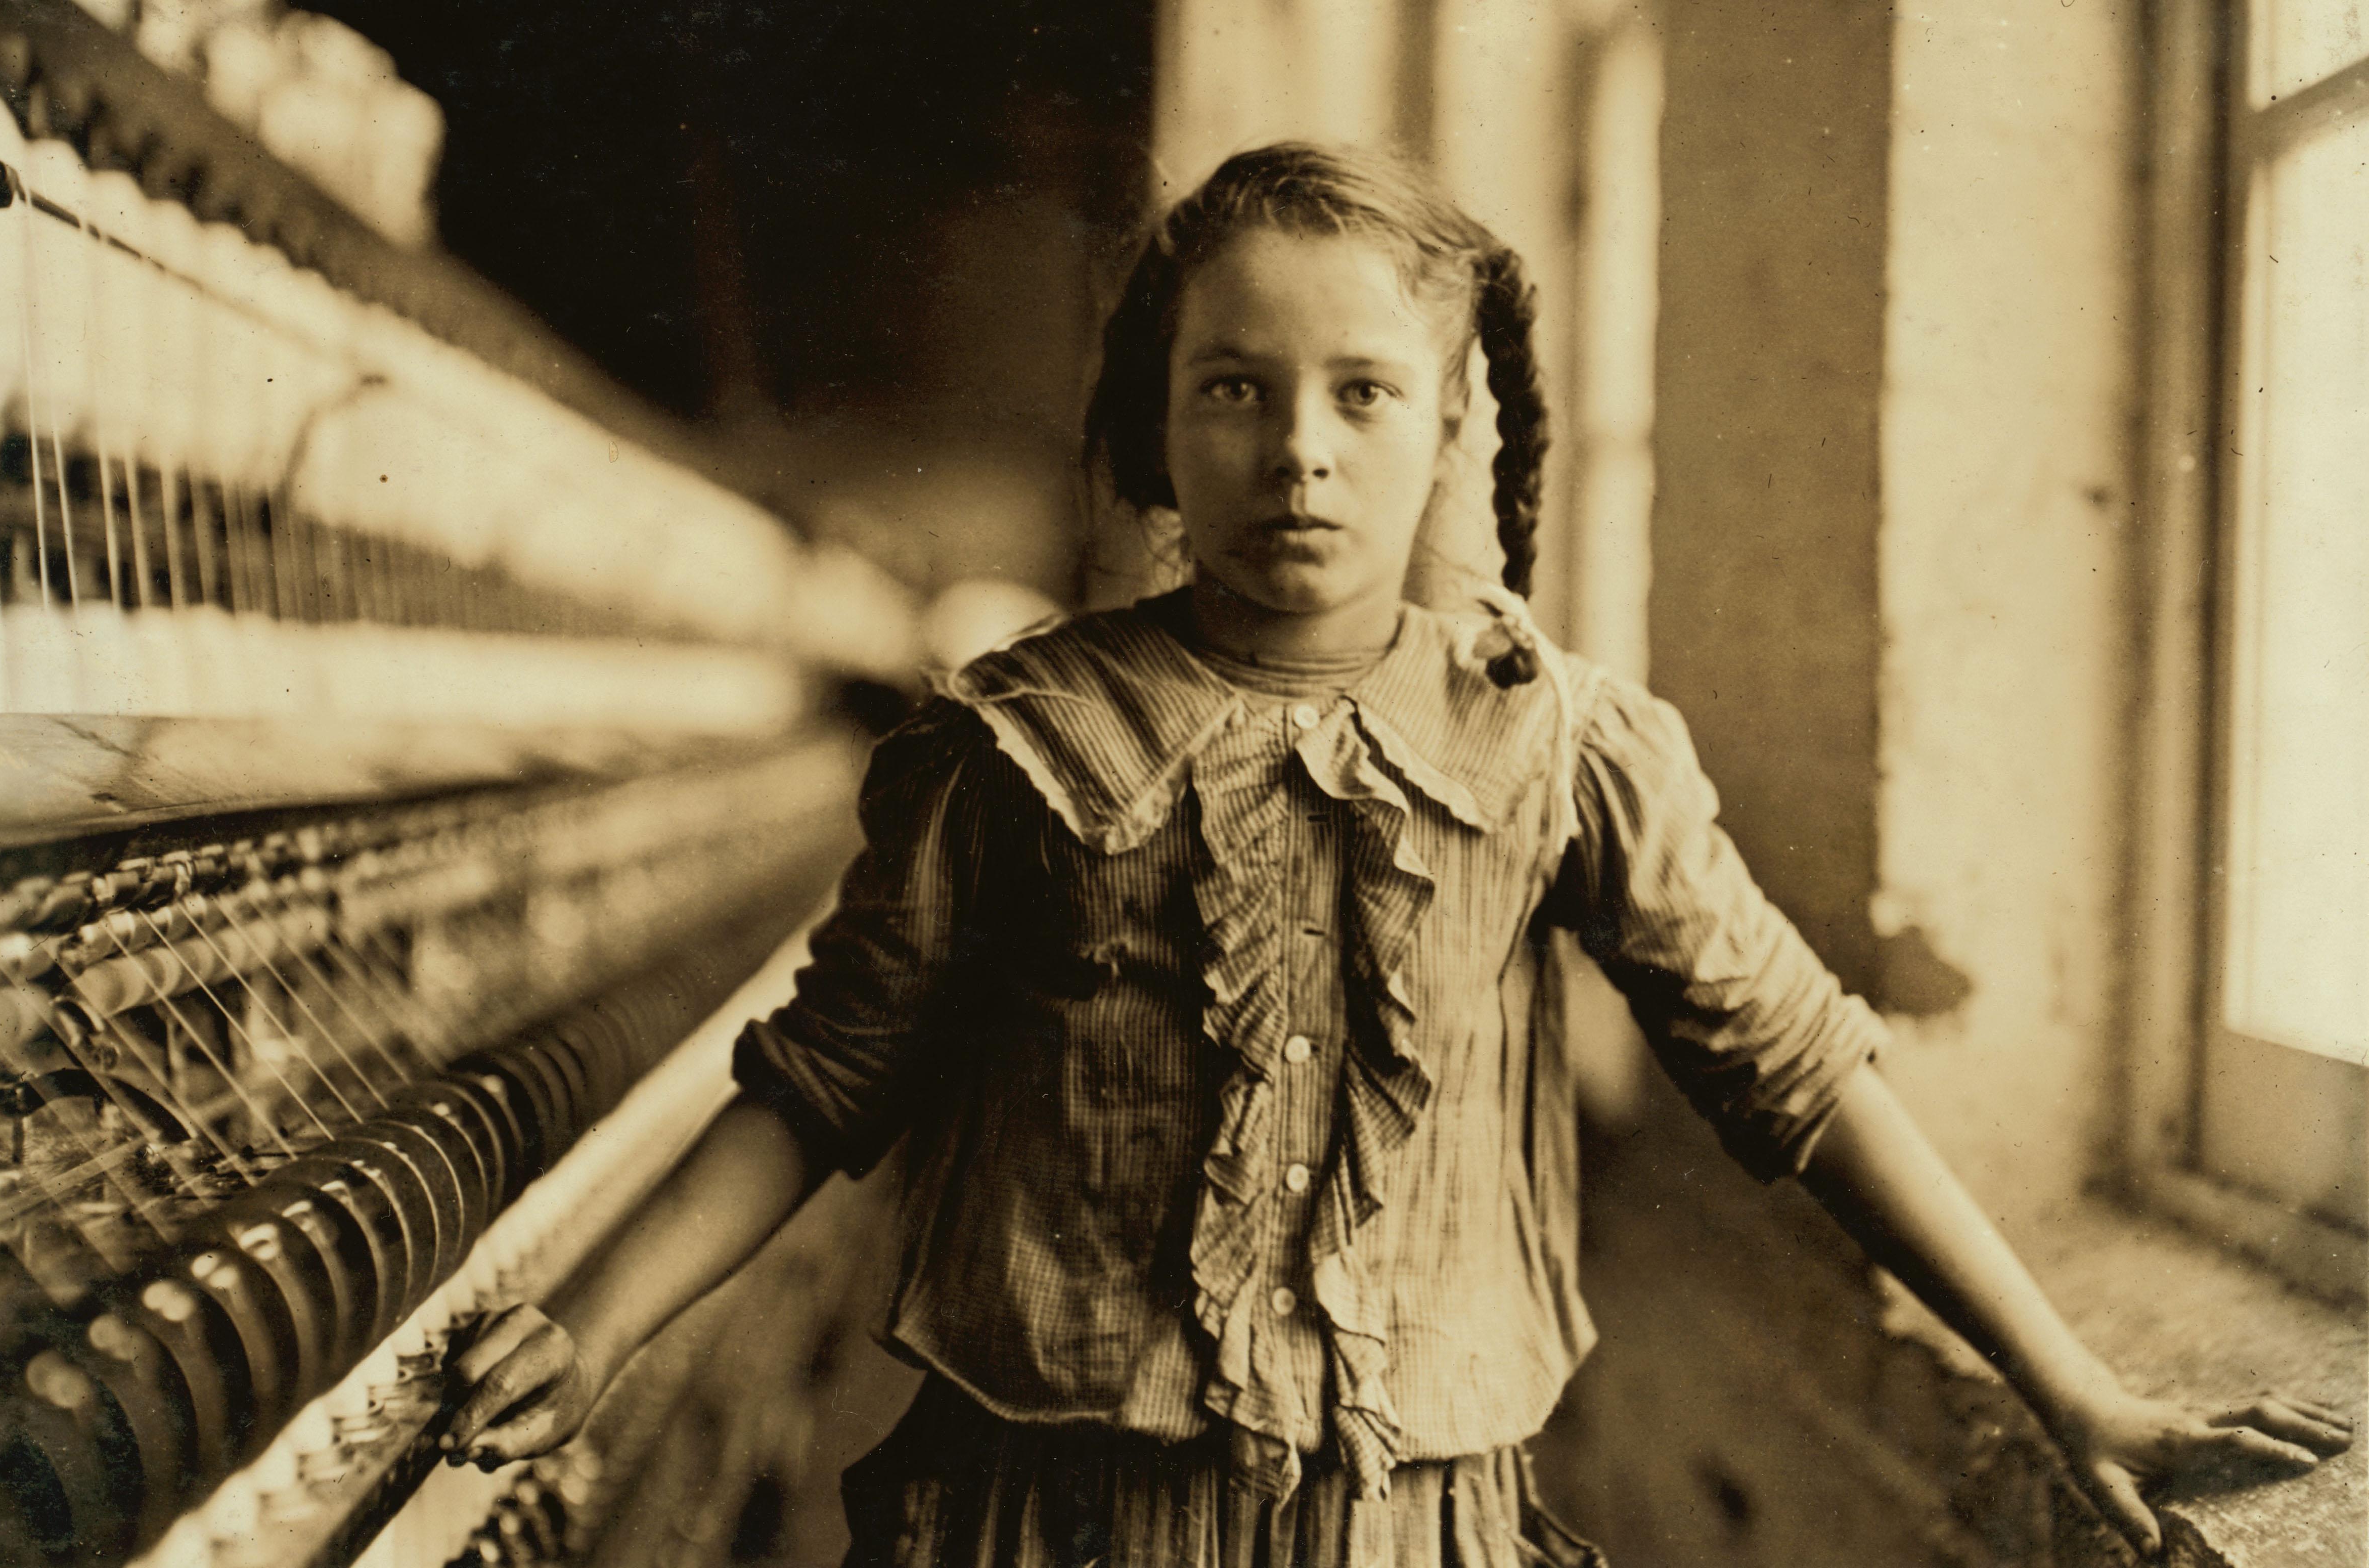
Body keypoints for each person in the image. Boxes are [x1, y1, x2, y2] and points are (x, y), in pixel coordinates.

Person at [438, 143, 2351, 1566]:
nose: (1301, 451)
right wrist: (594, 1333)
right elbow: (821, 1078)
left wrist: (2072, 1386)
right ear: (1155, 423)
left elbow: (1799, 1066)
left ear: (1448, 429)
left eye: (1364, 394)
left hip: (1406, 1525)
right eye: (1235, 388)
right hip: (1047, 1515)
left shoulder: (1559, 746)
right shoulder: (1012, 743)